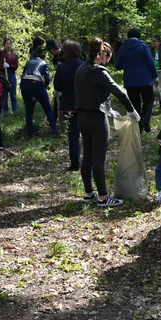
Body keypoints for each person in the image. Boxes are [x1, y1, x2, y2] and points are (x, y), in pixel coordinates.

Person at [75, 38, 140, 207]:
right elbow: (120, 92)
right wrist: (131, 110)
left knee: (87, 155)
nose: (109, 60)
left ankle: (89, 193)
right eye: (109, 56)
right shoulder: (99, 71)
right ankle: (103, 197)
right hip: (97, 118)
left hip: (82, 117)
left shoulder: (81, 68)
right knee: (98, 158)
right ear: (103, 54)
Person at [115, 28, 157, 132]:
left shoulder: (123, 48)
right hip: (145, 80)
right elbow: (150, 63)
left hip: (130, 82)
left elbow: (118, 65)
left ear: (128, 36)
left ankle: (138, 127)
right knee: (149, 100)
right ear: (139, 37)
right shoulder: (143, 46)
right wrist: (155, 76)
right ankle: (145, 121)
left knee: (135, 104)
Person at [53, 39, 85, 171]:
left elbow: (57, 87)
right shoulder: (84, 66)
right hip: (85, 105)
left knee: (73, 135)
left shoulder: (61, 67)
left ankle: (75, 163)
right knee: (88, 134)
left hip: (68, 105)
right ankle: (91, 162)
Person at [21, 37, 57, 138]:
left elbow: (23, 73)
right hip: (36, 83)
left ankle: (30, 134)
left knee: (29, 110)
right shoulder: (43, 62)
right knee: (48, 109)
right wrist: (46, 85)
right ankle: (54, 131)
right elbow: (47, 77)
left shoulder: (29, 62)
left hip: (25, 83)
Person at [0, 37, 19, 115]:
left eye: (10, 44)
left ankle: (14, 110)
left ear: (11, 45)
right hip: (3, 74)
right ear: (4, 45)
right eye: (7, 44)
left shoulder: (14, 55)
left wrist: (9, 66)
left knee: (12, 92)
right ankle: (5, 110)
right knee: (4, 92)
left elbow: (16, 65)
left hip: (12, 74)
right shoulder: (1, 53)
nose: (8, 45)